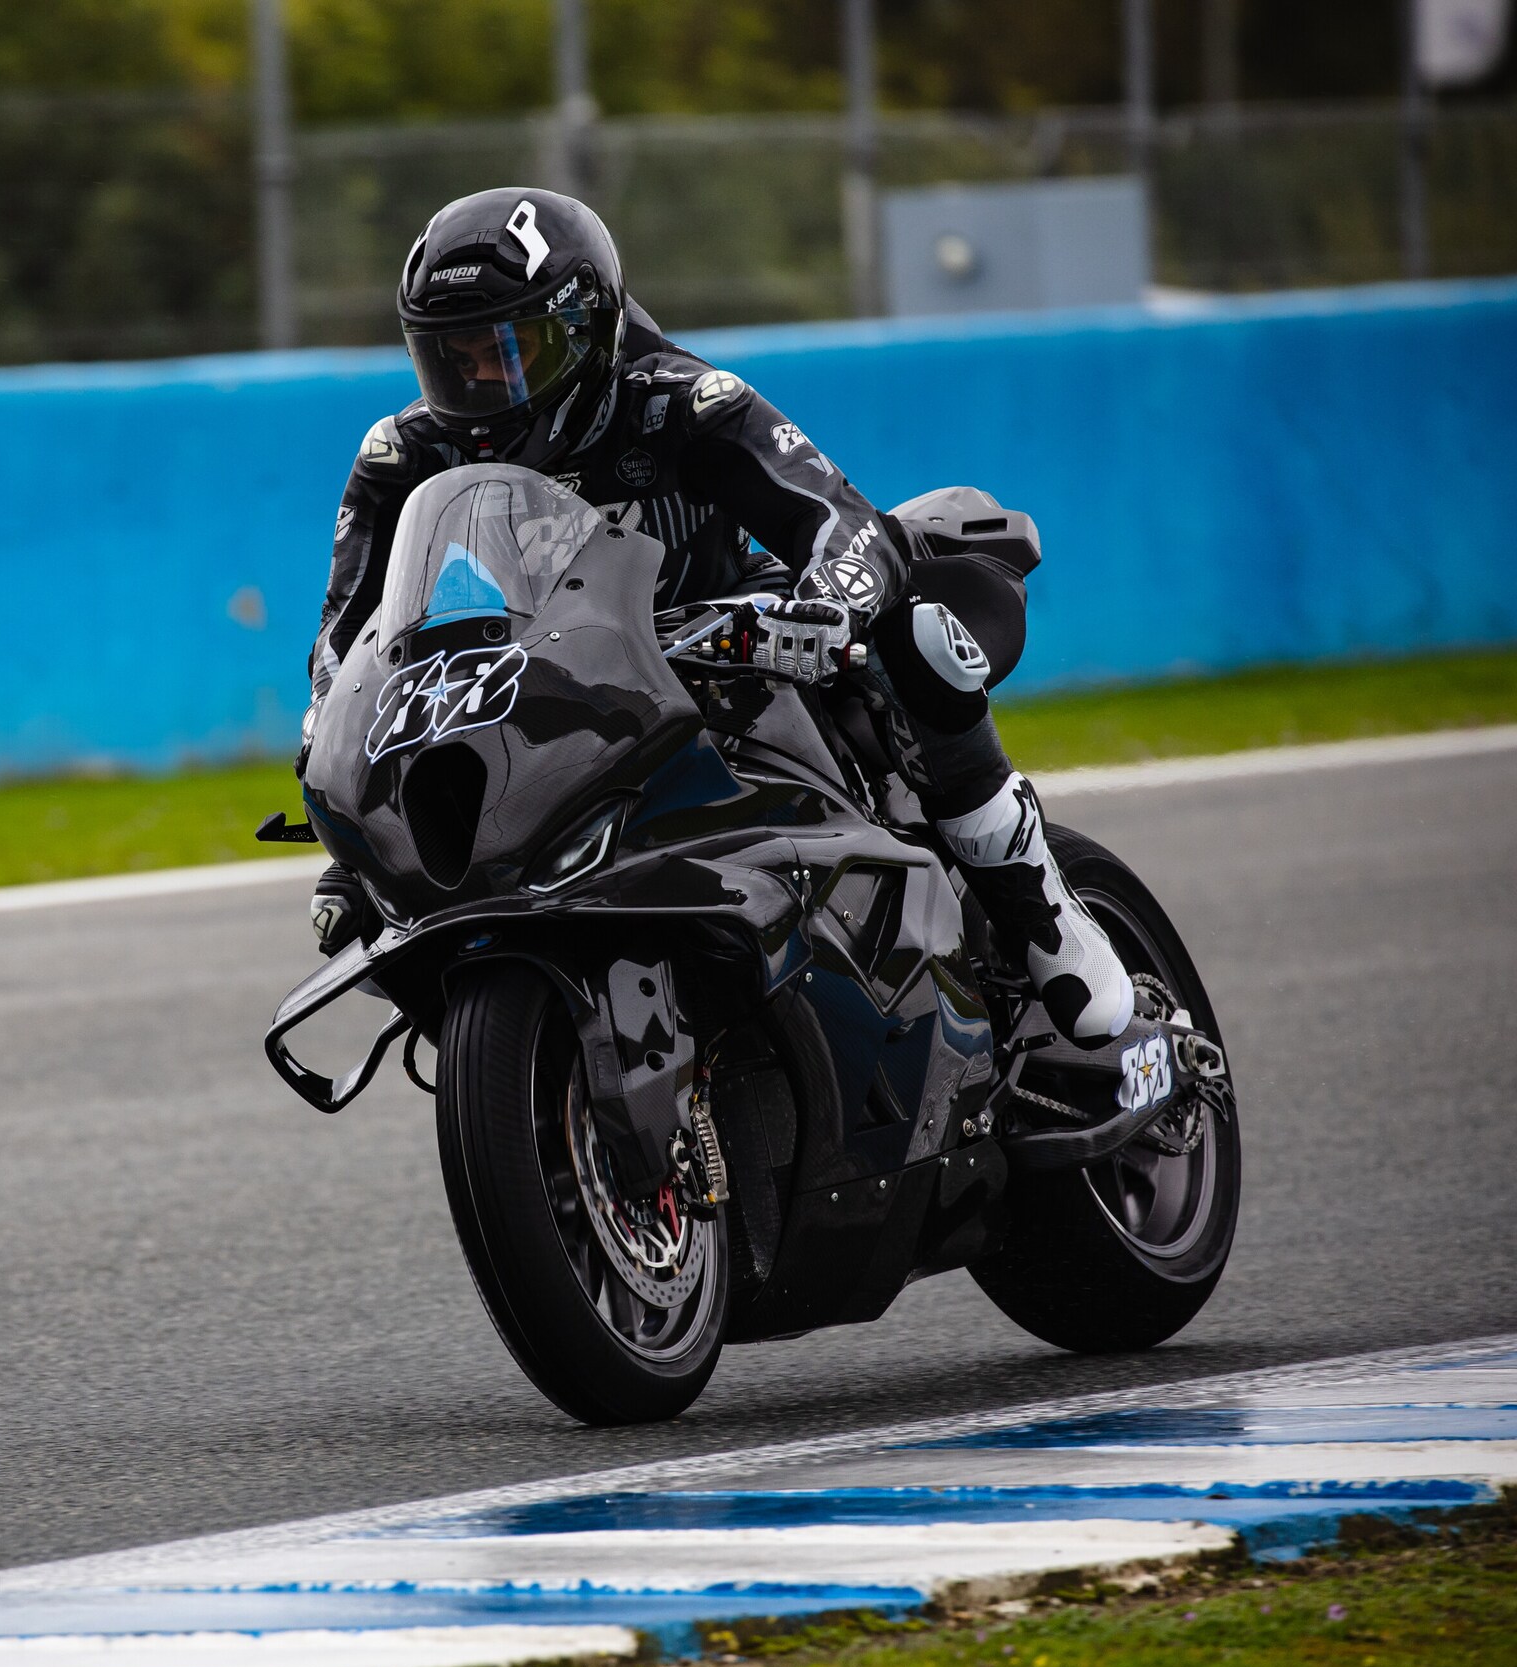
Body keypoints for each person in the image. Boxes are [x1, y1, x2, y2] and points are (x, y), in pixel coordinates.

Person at [305, 187, 1135, 1045]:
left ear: (585, 326)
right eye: (453, 360)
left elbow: (839, 520)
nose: (481, 388)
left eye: (510, 352)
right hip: (570, 707)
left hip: (734, 663)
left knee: (917, 641)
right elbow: (345, 639)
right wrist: (334, 738)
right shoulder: (402, 458)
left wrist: (828, 609)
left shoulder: (684, 403)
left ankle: (1040, 909)